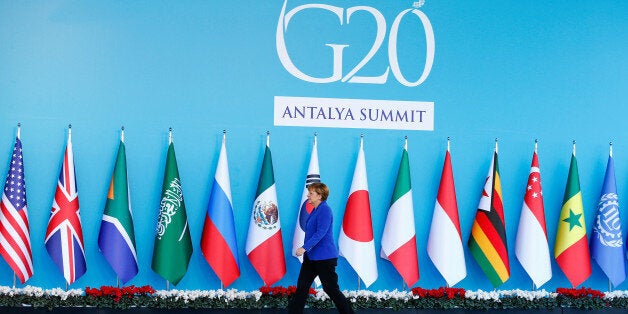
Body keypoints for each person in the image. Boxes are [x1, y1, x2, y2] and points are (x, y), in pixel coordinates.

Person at [288, 182, 354, 314]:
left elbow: (321, 233)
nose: (308, 195)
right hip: (311, 258)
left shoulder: (325, 210)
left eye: (311, 193)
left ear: (320, 196)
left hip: (324, 258)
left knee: (331, 289)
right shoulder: (316, 210)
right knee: (302, 288)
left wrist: (304, 248)